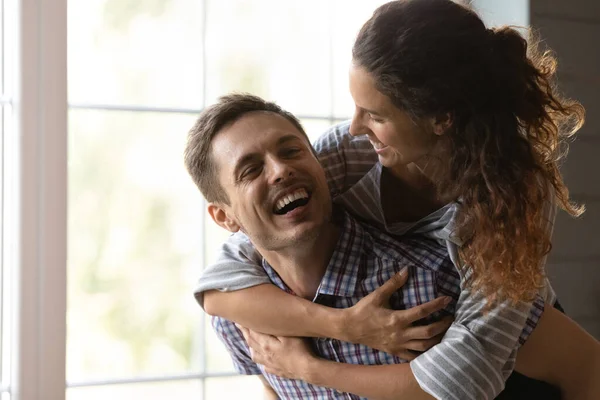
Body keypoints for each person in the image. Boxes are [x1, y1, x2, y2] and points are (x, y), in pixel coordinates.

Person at [188, 0, 598, 398]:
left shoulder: (510, 198)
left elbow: (464, 377)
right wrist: (345, 326)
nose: (354, 127)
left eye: (375, 115)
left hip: (518, 350)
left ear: (441, 119)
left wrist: (307, 369)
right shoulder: (351, 152)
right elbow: (238, 260)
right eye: (356, 107)